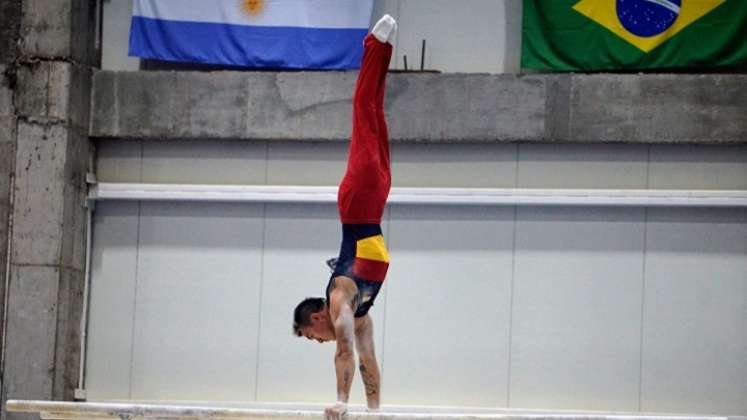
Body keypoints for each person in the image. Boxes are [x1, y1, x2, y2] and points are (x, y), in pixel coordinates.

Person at [291, 14, 397, 420]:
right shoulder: (361, 314)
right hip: (377, 201)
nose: (320, 340)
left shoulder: (340, 299)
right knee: (375, 115)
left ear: (317, 318)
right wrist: (374, 412)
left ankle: (376, 45)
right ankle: (383, 50)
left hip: (358, 204)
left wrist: (341, 402)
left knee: (362, 112)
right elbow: (367, 360)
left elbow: (344, 351)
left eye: (312, 336)